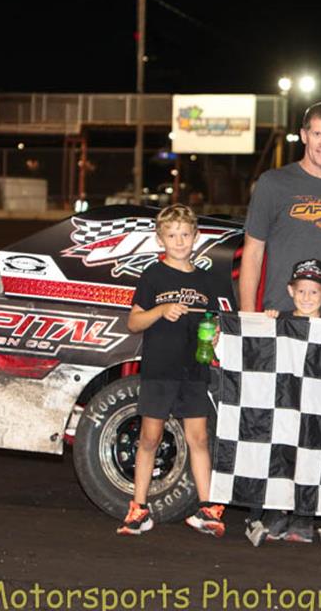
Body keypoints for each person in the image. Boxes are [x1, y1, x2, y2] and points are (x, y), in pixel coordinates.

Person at [118, 204, 225, 538]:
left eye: (185, 234)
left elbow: (213, 321)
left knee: (199, 438)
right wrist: (161, 310)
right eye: (171, 235)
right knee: (149, 438)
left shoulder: (207, 279)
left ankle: (208, 508)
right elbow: (134, 322)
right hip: (159, 369)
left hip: (194, 370)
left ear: (195, 237)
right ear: (160, 239)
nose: (179, 241)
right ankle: (138, 508)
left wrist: (215, 332)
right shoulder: (153, 276)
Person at [245, 258, 321, 549]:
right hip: (284, 407)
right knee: (280, 454)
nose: (307, 298)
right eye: (302, 291)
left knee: (314, 457)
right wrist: (264, 323)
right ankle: (274, 510)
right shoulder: (278, 322)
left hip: (319, 411)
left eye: (315, 292)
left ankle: (306, 514)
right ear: (290, 290)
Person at [239, 101, 321, 317]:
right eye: (317, 134)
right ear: (304, 135)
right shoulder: (273, 183)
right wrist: (246, 314)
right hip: (280, 311)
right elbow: (253, 251)